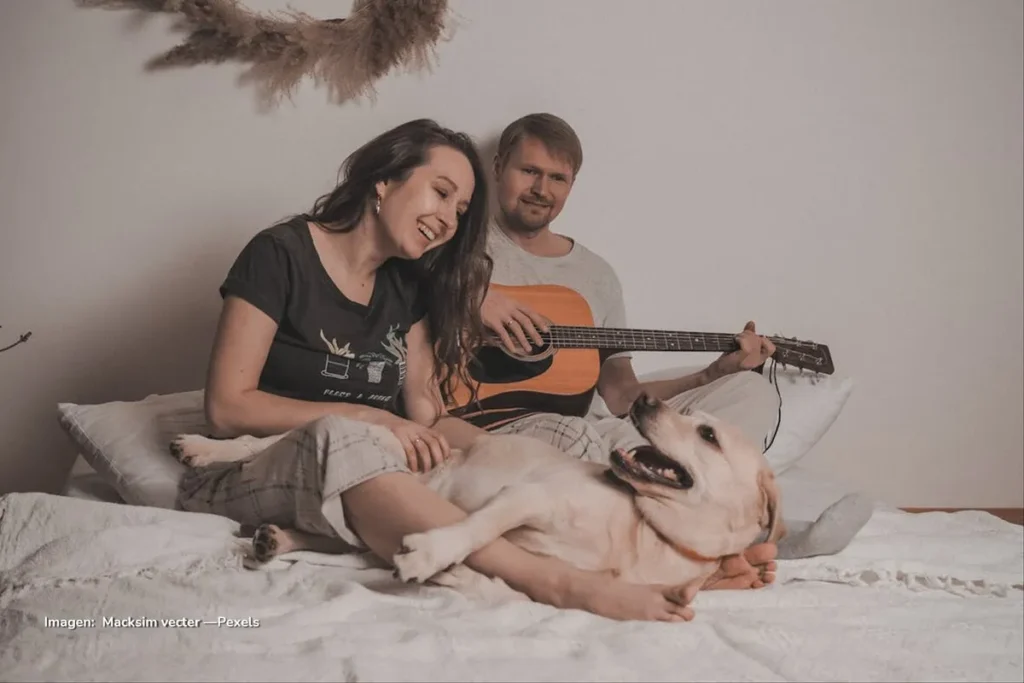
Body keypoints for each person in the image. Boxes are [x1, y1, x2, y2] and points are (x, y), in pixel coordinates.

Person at [175, 118, 707, 623]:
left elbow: (428, 415)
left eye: (461, 209)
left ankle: (665, 557)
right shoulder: (280, 254)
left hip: (373, 468)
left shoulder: (407, 287)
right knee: (344, 435)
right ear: (384, 180)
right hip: (250, 466)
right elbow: (227, 407)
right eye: (441, 192)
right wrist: (371, 417)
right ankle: (556, 582)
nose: (449, 218)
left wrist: (506, 456)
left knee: (569, 433)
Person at [471, 113, 873, 565]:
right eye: (529, 171)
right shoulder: (459, 246)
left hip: (597, 426)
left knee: (747, 391)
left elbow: (621, 394)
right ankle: (757, 537)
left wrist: (711, 373)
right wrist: (477, 299)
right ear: (499, 165)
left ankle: (724, 523)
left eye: (557, 178)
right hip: (510, 427)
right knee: (586, 437)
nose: (541, 190)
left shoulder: (595, 276)